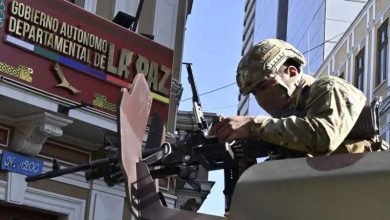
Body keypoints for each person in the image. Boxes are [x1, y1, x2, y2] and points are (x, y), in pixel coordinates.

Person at [209, 38, 388, 157]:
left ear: (291, 72)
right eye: (254, 93)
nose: (261, 98)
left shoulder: (329, 88)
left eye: (263, 87)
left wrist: (253, 125)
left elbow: (323, 137)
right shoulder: (288, 126)